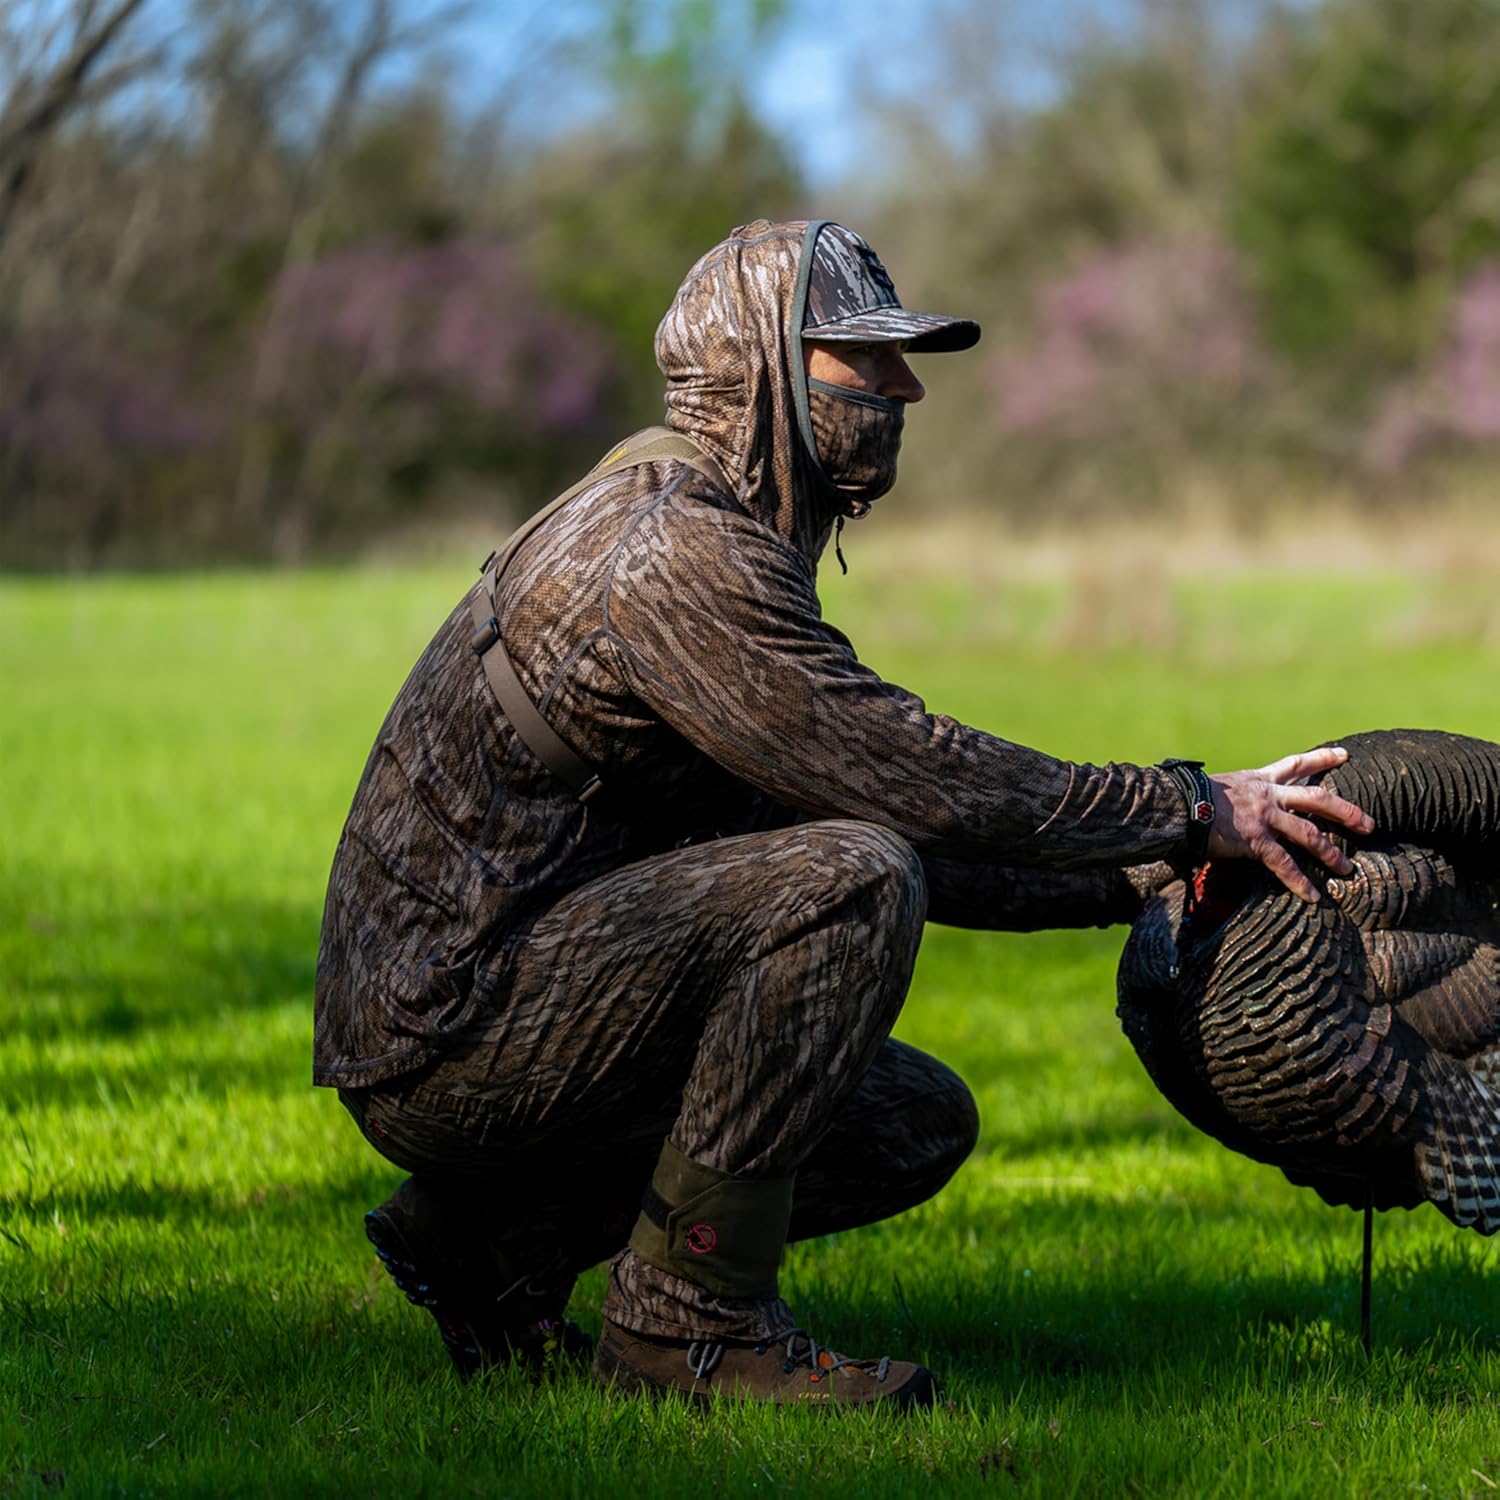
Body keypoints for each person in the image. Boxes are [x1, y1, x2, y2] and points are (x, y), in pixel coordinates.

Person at [314, 219, 1373, 1408]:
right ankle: (686, 1330)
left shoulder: (716, 527)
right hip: (450, 1033)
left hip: (498, 1000)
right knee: (852, 878)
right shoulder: (673, 549)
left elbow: (878, 803)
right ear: (766, 364)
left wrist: (1140, 876)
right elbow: (906, 779)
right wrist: (1187, 808)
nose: (906, 388)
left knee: (910, 1123)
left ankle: (484, 1248)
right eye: (868, 361)